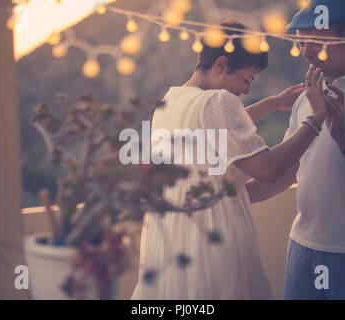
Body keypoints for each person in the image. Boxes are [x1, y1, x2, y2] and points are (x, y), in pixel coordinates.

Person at [131, 20, 329, 299]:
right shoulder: (217, 102)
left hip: (175, 240)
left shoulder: (171, 100)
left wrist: (272, 104)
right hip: (215, 240)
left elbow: (214, 130)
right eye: (247, 79)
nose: (246, 90)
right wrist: (315, 118)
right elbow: (268, 169)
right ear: (222, 65)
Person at [247, 0, 345, 299]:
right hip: (302, 248)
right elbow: (287, 171)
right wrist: (228, 200)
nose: (307, 53)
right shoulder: (307, 96)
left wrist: (343, 138)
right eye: (302, 44)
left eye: (317, 42)